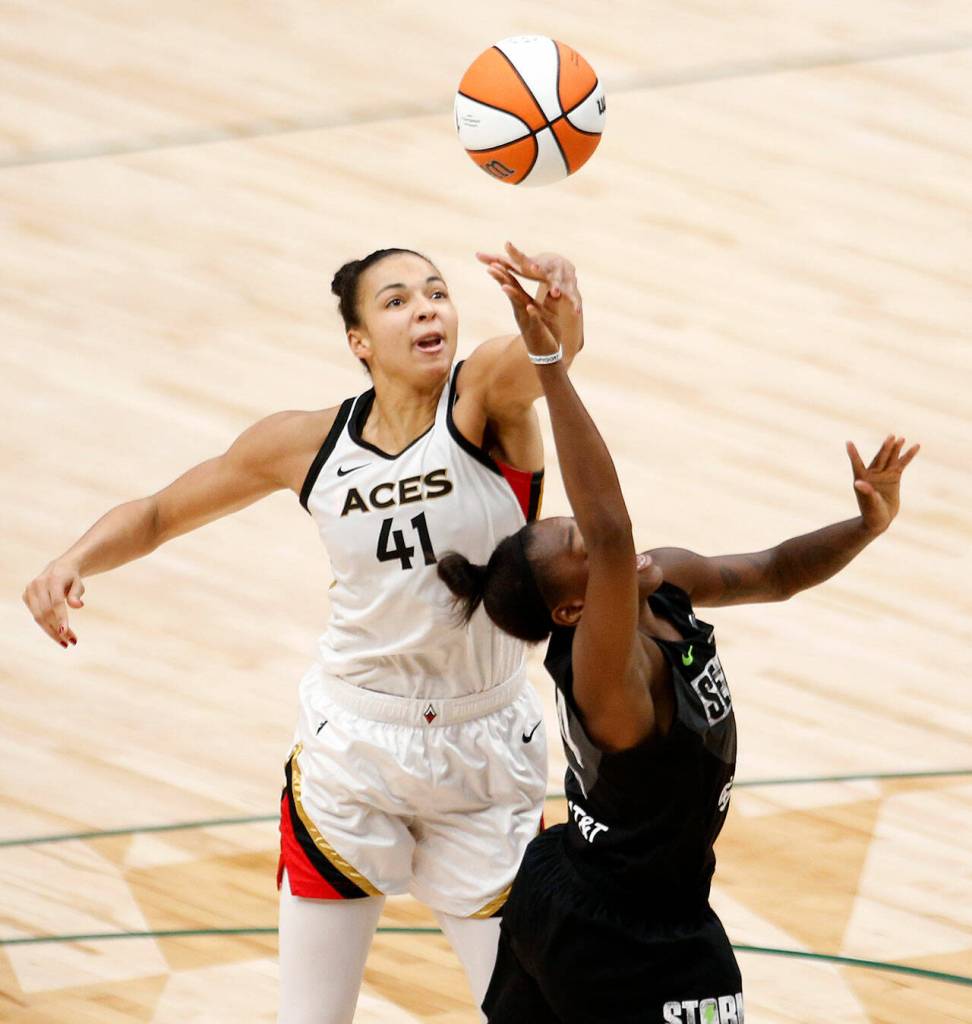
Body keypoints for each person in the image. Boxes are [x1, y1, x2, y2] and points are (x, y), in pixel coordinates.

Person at [21, 243, 584, 1024]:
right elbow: (158, 512)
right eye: (395, 301)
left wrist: (557, 313)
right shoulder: (304, 444)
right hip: (353, 751)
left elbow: (545, 356)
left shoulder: (484, 397)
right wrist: (71, 560)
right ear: (358, 341)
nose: (426, 308)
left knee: (537, 1016)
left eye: (436, 292)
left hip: (482, 753)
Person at [438, 266, 919, 1024]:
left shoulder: (660, 592)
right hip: (627, 938)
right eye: (578, 545)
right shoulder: (606, 675)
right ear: (571, 608)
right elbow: (611, 526)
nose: (602, 543)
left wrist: (866, 526)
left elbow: (777, 571)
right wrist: (547, 365)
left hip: (573, 886)